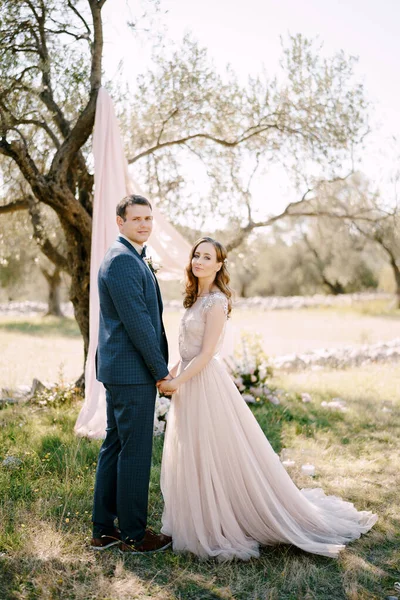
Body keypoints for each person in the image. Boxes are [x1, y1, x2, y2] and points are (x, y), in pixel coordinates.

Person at [157, 236, 377, 560]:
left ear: (219, 265)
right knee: (193, 449)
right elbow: (187, 350)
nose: (200, 261)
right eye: (197, 255)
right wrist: (170, 373)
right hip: (188, 381)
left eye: (208, 257)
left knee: (215, 450)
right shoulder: (193, 297)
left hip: (204, 384)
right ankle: (200, 514)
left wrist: (179, 380)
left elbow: (206, 354)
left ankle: (228, 517)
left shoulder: (215, 301)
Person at [90, 194, 173, 554]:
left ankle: (104, 530)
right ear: (119, 221)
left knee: (117, 445)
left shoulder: (129, 257)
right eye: (136, 218)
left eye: (148, 219)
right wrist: (161, 372)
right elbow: (139, 324)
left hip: (122, 370)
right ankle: (135, 536)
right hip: (132, 373)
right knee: (134, 451)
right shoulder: (123, 260)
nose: (144, 224)